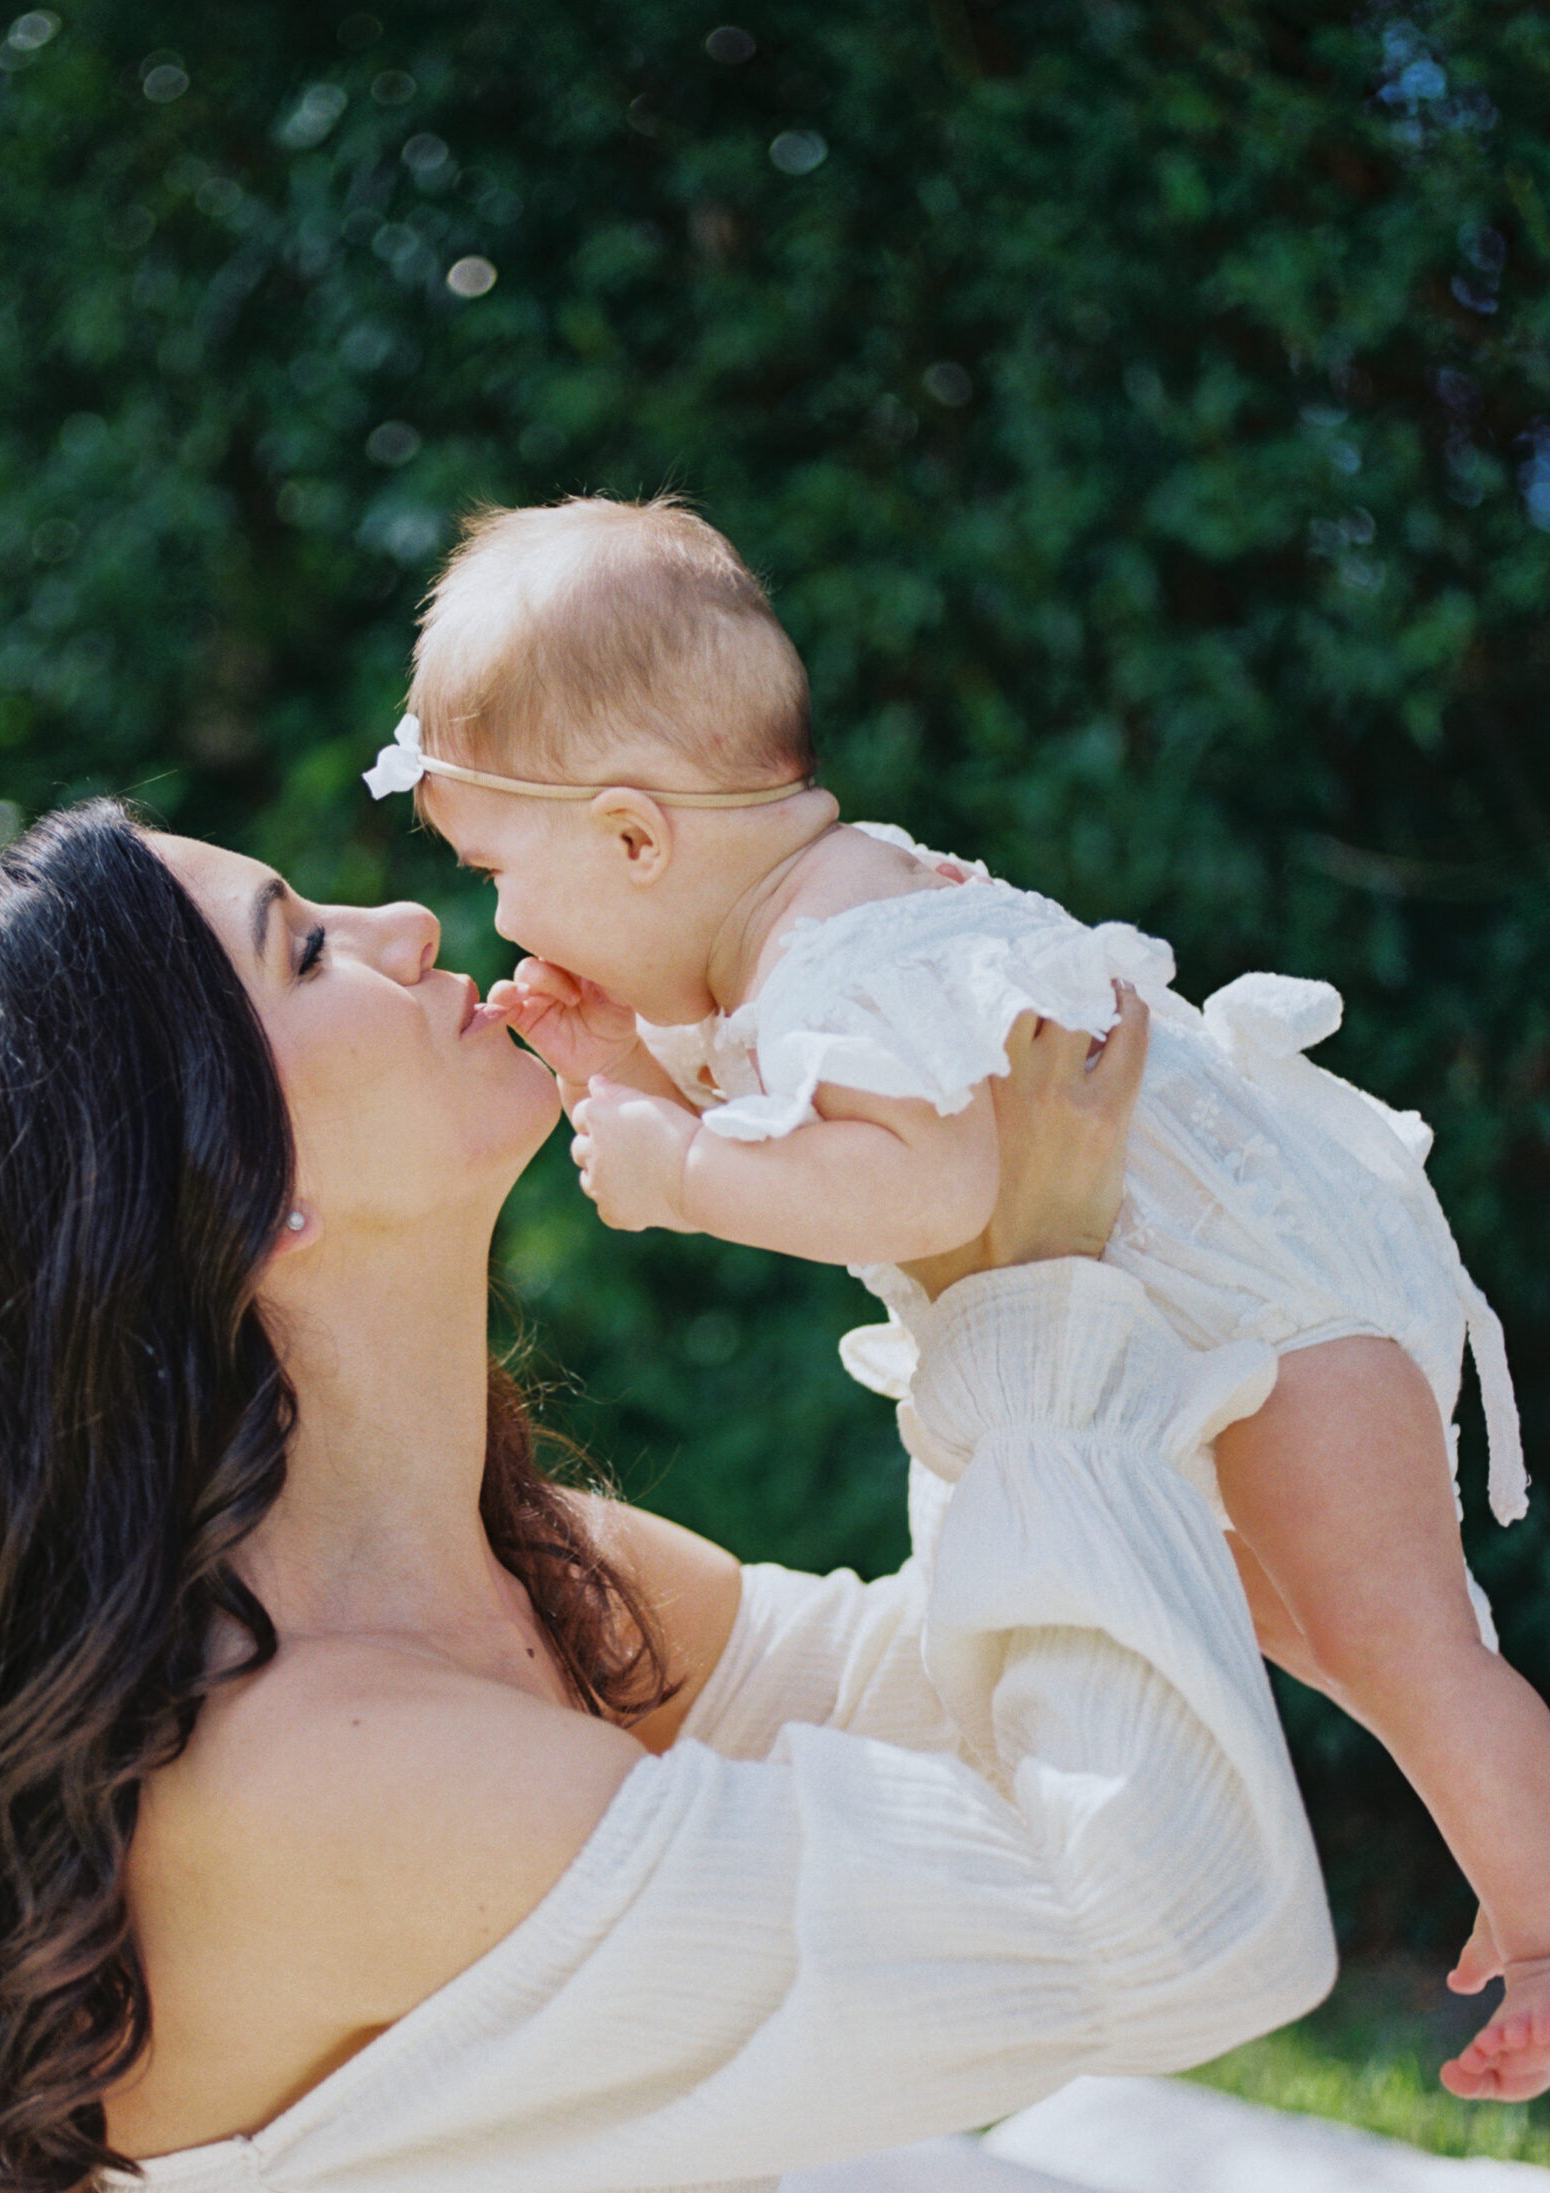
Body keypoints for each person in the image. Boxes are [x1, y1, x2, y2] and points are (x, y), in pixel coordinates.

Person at [0, 802, 1547, 2193]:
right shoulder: (320, 1771)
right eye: (307, 950)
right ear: (235, 1193)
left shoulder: (526, 1576)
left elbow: (1011, 1710)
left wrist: (940, 1214)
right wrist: (1014, 1290)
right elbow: (1167, 1926)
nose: (407, 922)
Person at [372, 494, 1550, 2104]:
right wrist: (622, 1066)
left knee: (1395, 1638)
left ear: (635, 838)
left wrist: (678, 1176)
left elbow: (921, 1188)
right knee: (1309, 1632)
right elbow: (824, 1134)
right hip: (1199, 1328)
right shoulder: (780, 949)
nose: (498, 918)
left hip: (1272, 1306)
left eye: (499, 872)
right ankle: (1513, 1835)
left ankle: (1546, 1918)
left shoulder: (843, 944)